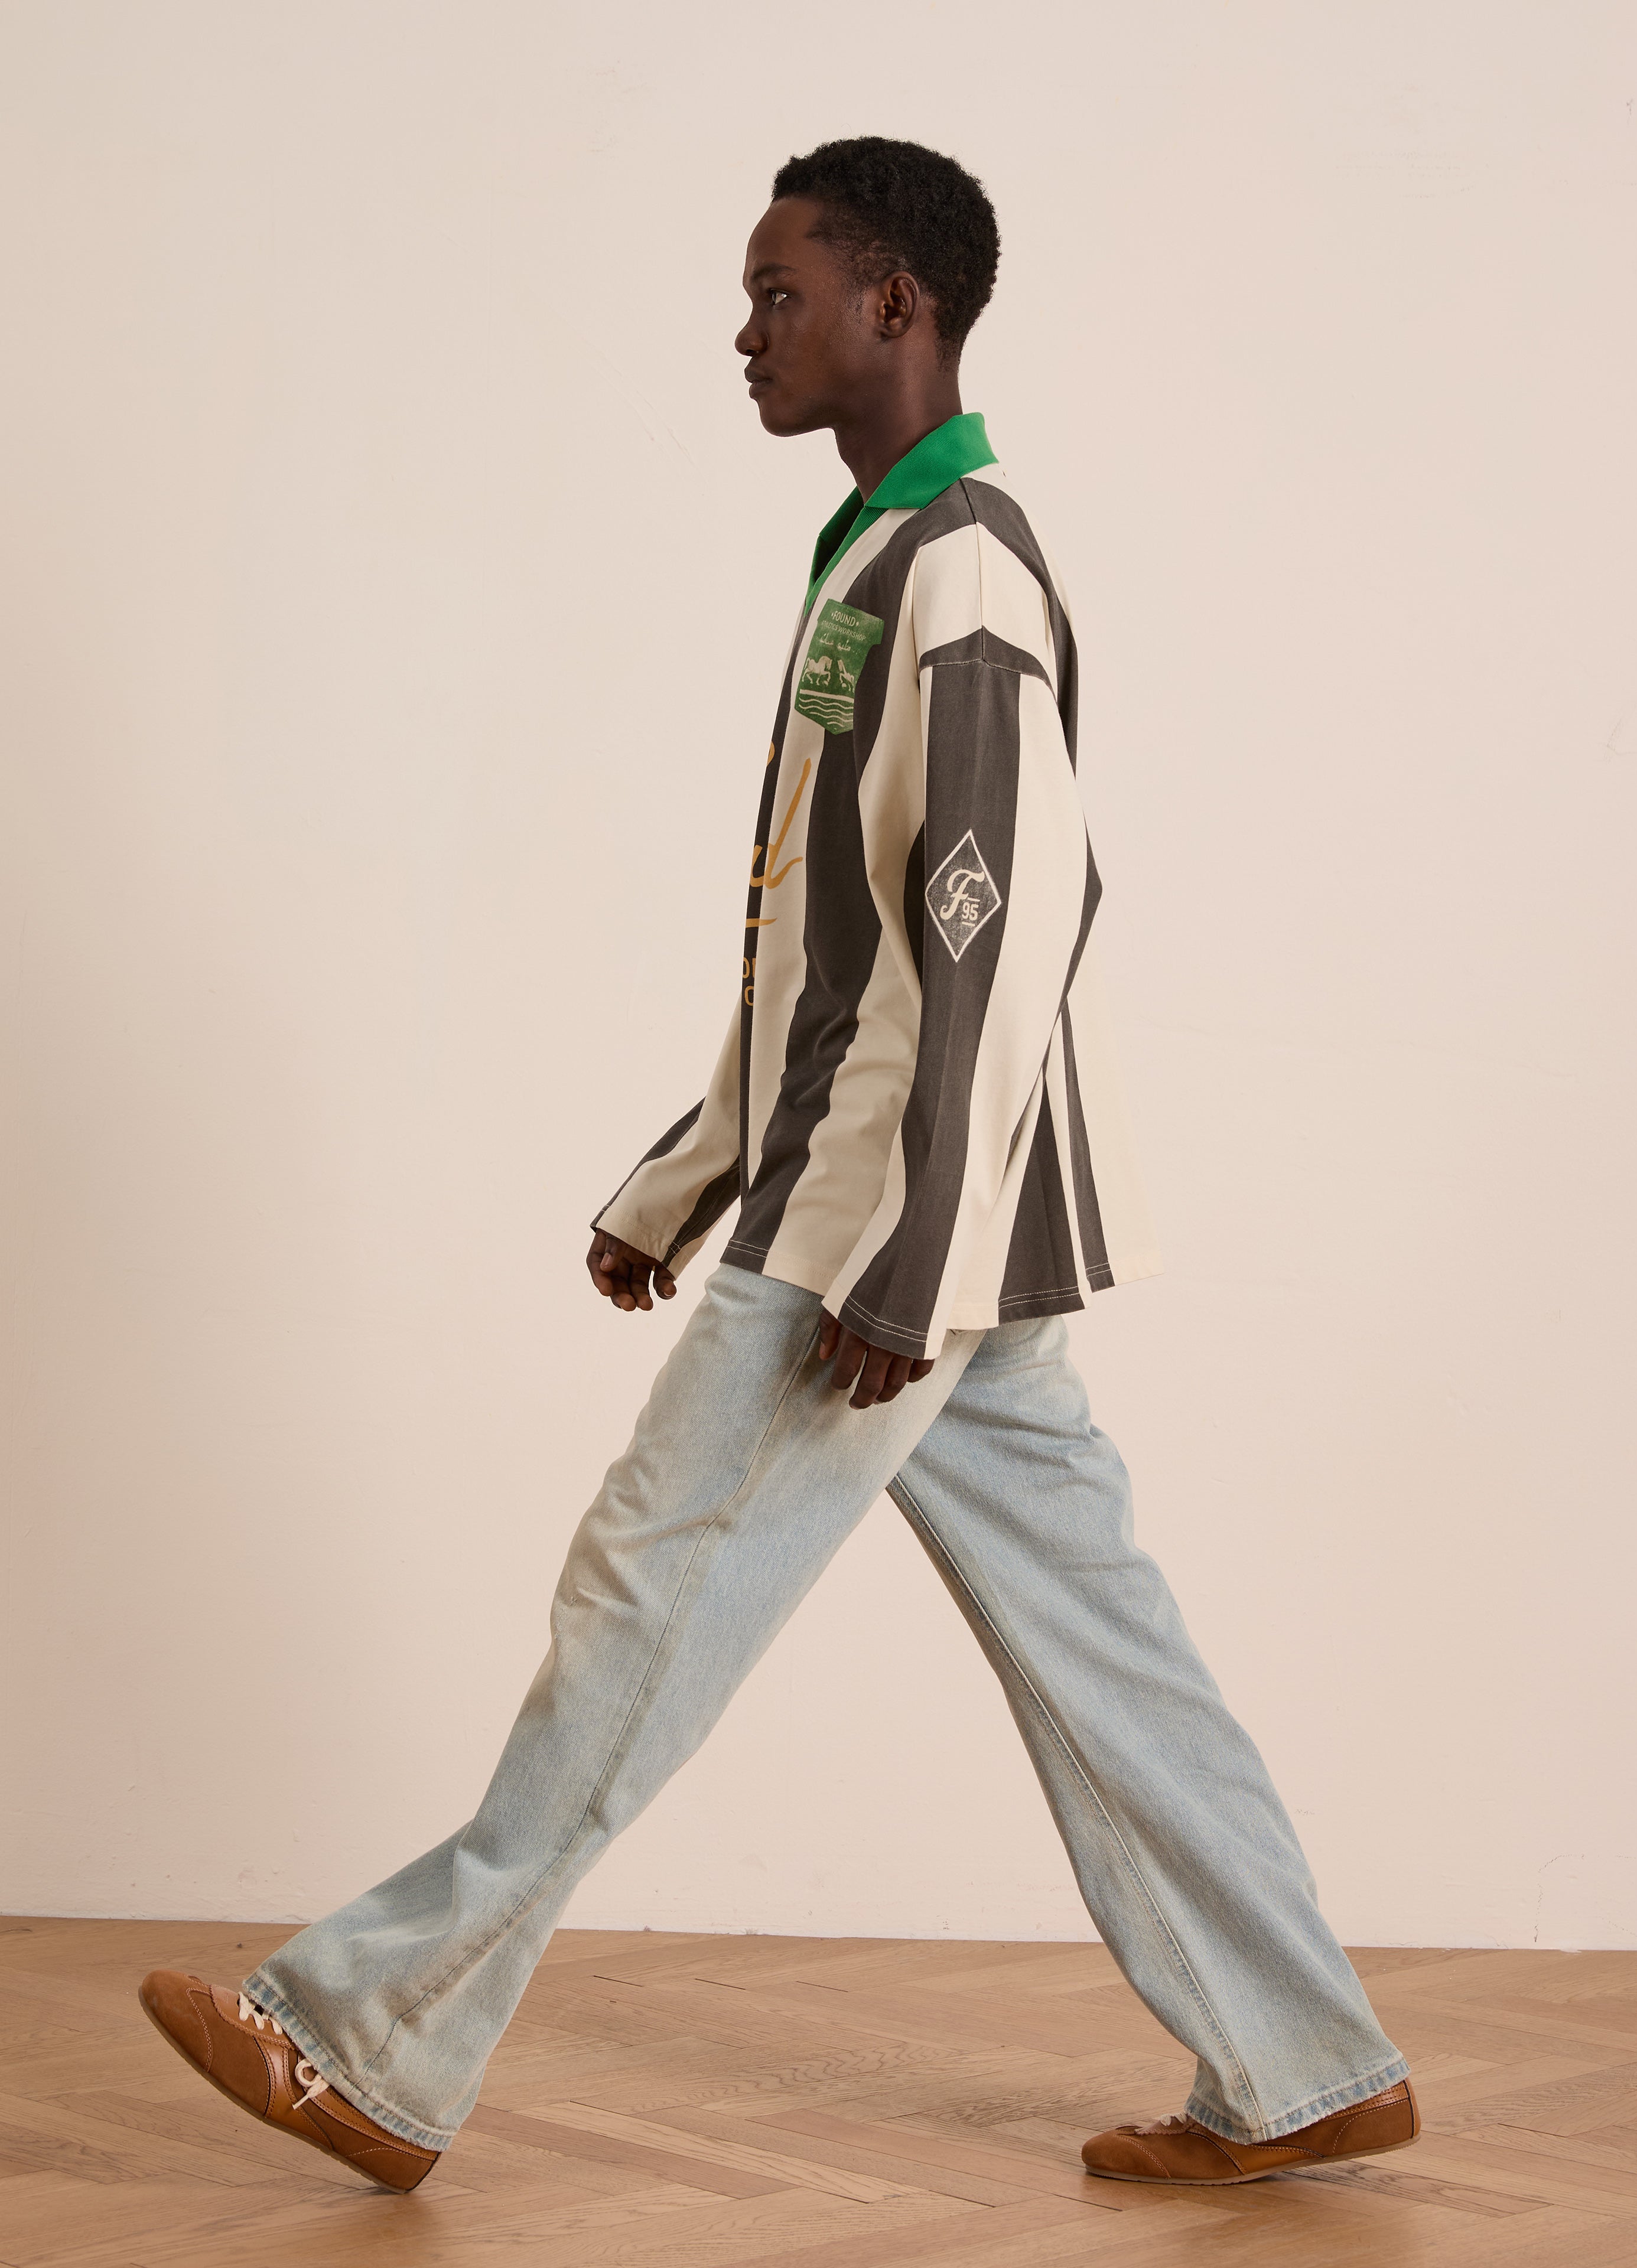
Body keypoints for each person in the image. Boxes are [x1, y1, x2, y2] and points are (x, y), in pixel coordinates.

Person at [139, 135, 1418, 2194]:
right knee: (1110, 1652)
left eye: (780, 293)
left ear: (896, 305)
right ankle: (1302, 2057)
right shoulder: (873, 557)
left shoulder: (964, 576)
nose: (748, 330)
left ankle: (371, 2038)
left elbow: (1009, 932)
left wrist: (904, 1258)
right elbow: (832, 940)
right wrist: (677, 1177)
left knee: (643, 1599)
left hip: (880, 1250)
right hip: (909, 1225)